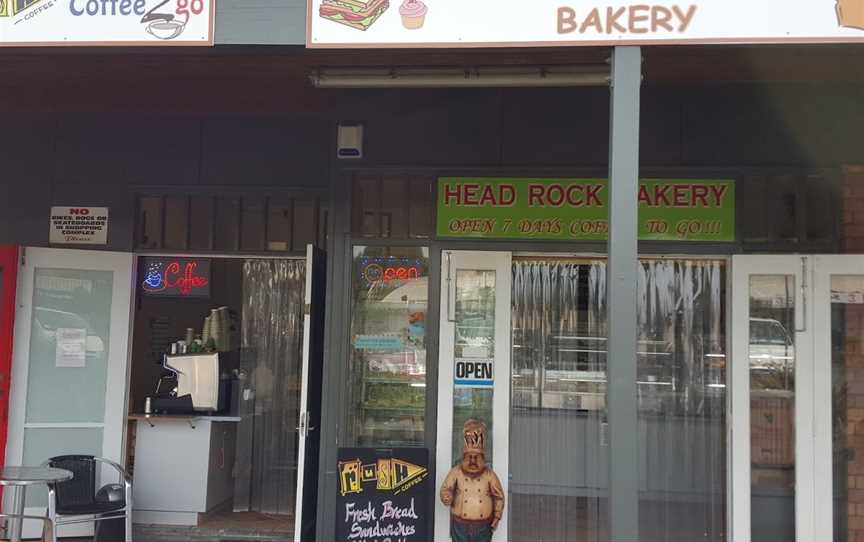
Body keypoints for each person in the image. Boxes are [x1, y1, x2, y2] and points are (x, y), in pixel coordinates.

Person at [439, 419, 504, 542]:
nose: (472, 461)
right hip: (460, 525)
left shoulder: (489, 475)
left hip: (483, 526)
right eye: (469, 457)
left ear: (483, 459)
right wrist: (446, 496)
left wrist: (497, 517)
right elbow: (445, 489)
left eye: (476, 457)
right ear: (463, 458)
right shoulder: (456, 472)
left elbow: (499, 497)